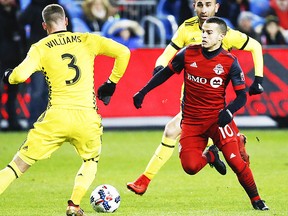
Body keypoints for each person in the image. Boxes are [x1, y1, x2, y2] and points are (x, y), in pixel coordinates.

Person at [0, 4, 130, 216]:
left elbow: (19, 76)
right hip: (86, 117)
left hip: (56, 117)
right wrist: (111, 82)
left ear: (44, 26)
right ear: (66, 21)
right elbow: (123, 52)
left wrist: (8, 75)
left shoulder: (40, 47)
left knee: (17, 167)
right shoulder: (87, 40)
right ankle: (74, 205)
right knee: (90, 161)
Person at [127, 0, 264, 196]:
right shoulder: (186, 28)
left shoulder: (226, 33)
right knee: (179, 136)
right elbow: (168, 52)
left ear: (216, 7)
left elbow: (256, 46)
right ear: (194, 6)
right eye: (200, 4)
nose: (204, 9)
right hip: (190, 99)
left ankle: (144, 180)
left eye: (208, 4)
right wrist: (160, 65)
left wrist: (258, 79)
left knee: (171, 131)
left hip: (210, 103)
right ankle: (222, 146)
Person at [18, 0, 73, 129]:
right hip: (53, 56)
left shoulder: (34, 6)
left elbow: (20, 22)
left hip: (41, 55)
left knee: (39, 90)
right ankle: (46, 122)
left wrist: (26, 46)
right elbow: (70, 31)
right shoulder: (58, 7)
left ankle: (35, 122)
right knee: (49, 91)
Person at [0, 0, 25, 131]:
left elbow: (21, 34)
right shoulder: (12, 14)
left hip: (14, 58)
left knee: (13, 92)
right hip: (2, 58)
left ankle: (12, 121)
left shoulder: (17, 12)